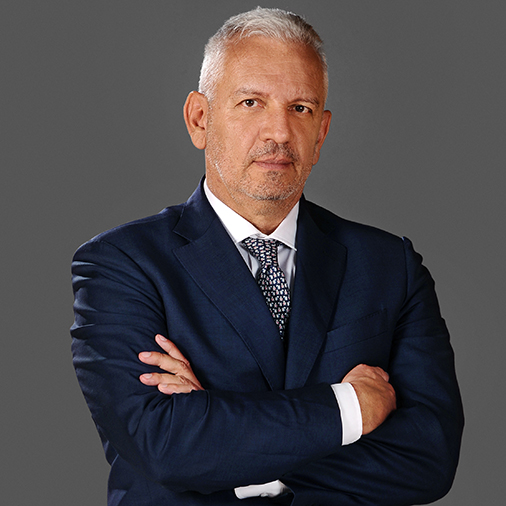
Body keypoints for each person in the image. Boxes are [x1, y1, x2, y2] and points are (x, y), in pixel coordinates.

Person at [71, 7, 463, 506]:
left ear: (321, 134)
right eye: (251, 102)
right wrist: (350, 408)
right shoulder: (121, 265)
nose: (278, 131)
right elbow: (166, 445)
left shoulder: (390, 266)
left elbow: (428, 460)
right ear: (199, 119)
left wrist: (222, 437)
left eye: (300, 108)